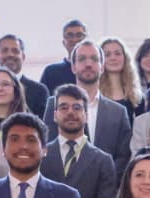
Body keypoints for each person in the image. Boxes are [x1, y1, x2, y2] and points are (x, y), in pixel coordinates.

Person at [41, 39, 134, 175]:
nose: (88, 64)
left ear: (102, 67)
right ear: (73, 67)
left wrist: (106, 184)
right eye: (82, 59)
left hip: (106, 190)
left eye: (94, 59)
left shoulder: (118, 112)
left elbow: (123, 157)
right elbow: (48, 149)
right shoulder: (54, 104)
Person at [41, 84, 119, 198]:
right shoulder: (40, 156)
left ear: (87, 115)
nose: (70, 112)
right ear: (54, 115)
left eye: (77, 107)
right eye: (64, 107)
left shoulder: (103, 161)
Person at [100, 37, 145, 115]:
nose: (113, 58)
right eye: (107, 55)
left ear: (125, 58)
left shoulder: (136, 97)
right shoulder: (94, 94)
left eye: (117, 54)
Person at [40, 19, 86, 91]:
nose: (75, 39)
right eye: (70, 35)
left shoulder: (95, 70)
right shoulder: (51, 72)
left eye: (79, 35)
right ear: (64, 42)